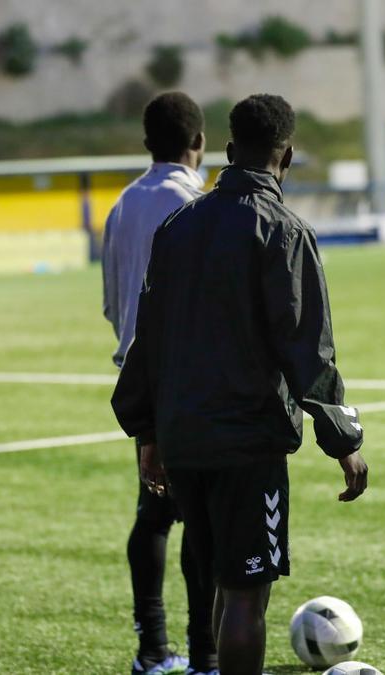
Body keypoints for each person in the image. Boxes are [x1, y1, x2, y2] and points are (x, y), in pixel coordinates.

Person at [112, 94, 368, 675]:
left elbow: (147, 337)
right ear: (288, 155)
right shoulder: (283, 230)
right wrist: (345, 443)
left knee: (222, 586)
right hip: (246, 442)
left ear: (229, 151)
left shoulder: (178, 225)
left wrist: (148, 433)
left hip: (183, 439)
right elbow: (309, 347)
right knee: (247, 596)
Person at [101, 92, 217, 675]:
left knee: (154, 513)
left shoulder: (121, 205)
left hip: (140, 384)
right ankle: (204, 655)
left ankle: (152, 649)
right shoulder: (196, 202)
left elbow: (112, 305)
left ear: (148, 143)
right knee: (201, 520)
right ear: (199, 144)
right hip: (187, 381)